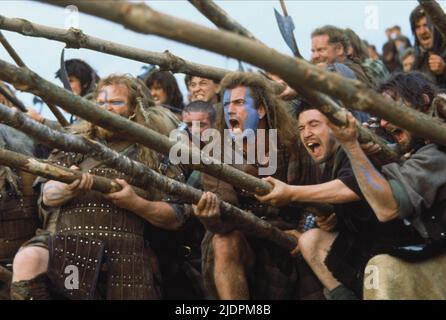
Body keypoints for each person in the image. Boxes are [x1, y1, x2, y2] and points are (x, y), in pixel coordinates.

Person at [10, 74, 191, 300]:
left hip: (127, 257)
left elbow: (176, 215)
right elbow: (46, 195)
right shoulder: (73, 143)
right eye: (102, 103)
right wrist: (67, 188)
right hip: (68, 247)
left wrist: (136, 203)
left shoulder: (155, 151)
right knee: (30, 258)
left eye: (116, 102)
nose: (107, 109)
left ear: (135, 108)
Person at [194, 72, 321, 300]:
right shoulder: (215, 153)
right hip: (243, 240)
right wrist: (210, 217)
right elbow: (226, 218)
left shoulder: (292, 144)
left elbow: (315, 198)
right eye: (226, 104)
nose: (230, 110)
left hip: (293, 240)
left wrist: (304, 233)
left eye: (239, 102)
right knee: (223, 242)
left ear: (261, 110)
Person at [329, 72, 446, 299]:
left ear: (423, 101)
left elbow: (387, 208)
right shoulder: (426, 150)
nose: (383, 122)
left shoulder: (437, 154)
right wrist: (385, 156)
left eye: (391, 109)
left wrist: (352, 147)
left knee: (382, 267)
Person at [410, 5, 446, 88]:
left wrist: (444, 69)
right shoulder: (418, 61)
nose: (422, 31)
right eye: (418, 27)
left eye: (426, 25)